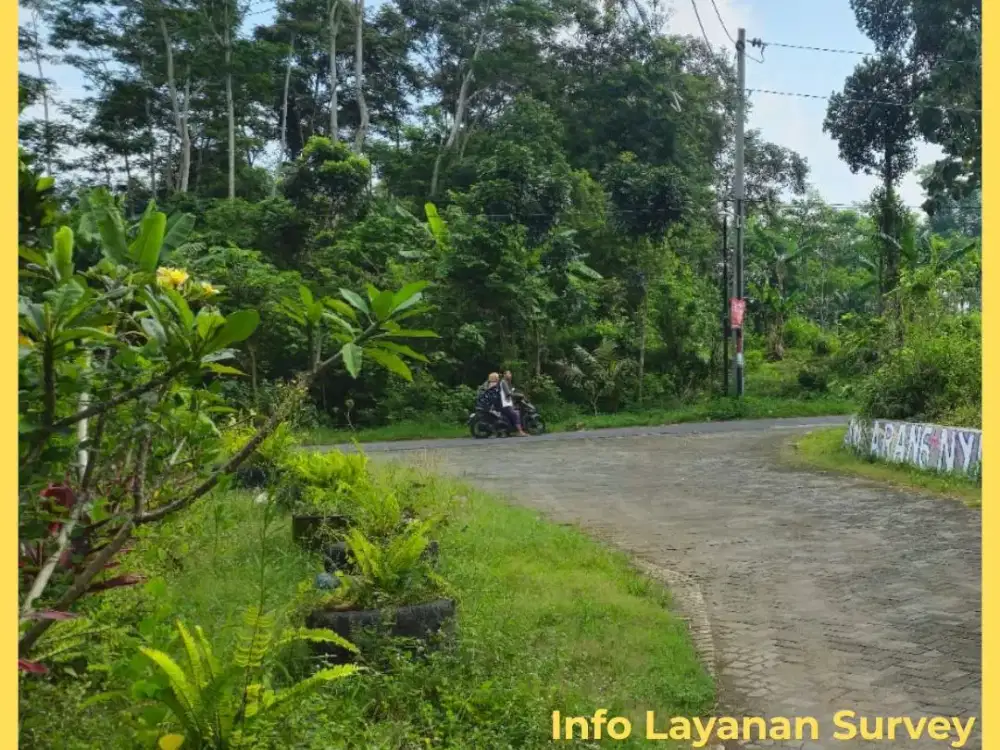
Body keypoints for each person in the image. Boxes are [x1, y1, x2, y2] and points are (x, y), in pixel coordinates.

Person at [499, 370, 527, 436]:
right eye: (508, 374)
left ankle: (514, 430)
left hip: (508, 403)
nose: (510, 375)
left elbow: (511, 391)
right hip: (505, 404)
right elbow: (508, 393)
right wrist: (519, 395)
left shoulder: (507, 383)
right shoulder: (503, 382)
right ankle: (520, 431)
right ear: (504, 375)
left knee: (518, 411)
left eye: (510, 374)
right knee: (516, 414)